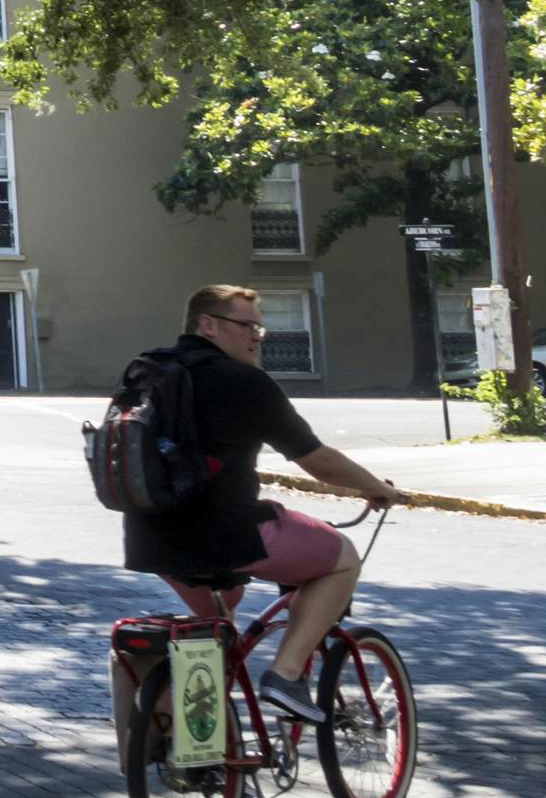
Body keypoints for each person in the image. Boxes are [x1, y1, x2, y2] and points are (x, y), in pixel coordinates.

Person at [122, 284, 405, 729]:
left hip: (151, 537)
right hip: (227, 535)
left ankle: (189, 746)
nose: (257, 336)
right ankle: (287, 676)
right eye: (246, 325)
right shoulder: (243, 381)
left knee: (216, 629)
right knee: (342, 559)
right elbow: (316, 459)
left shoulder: (146, 371)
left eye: (260, 327)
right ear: (208, 324)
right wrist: (376, 488)